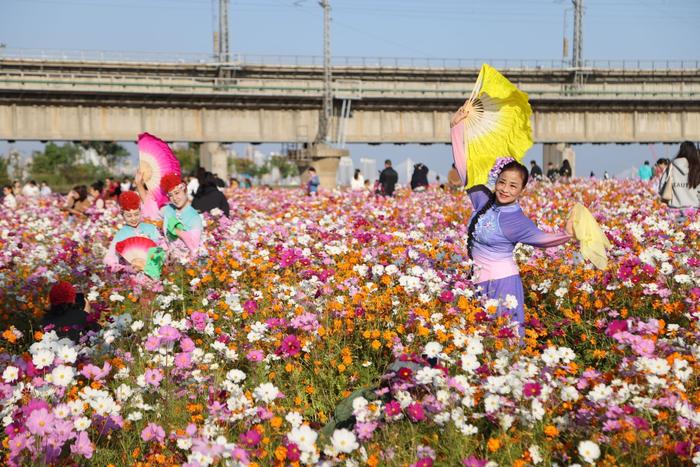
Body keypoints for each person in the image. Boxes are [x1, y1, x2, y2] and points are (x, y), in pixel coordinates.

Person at [467, 158, 574, 336]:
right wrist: (457, 130)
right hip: (476, 282)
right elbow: (465, 171)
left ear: (521, 190)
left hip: (503, 284)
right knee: (481, 341)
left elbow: (544, 239)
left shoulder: (516, 220)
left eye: (513, 186)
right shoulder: (483, 200)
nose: (505, 189)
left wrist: (568, 234)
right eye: (502, 182)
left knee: (505, 340)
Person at [139, 173, 203, 256]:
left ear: (185, 190)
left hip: (185, 263)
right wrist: (139, 184)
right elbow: (149, 208)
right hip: (169, 259)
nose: (175, 198)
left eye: (177, 193)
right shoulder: (168, 209)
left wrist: (179, 232)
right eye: (170, 195)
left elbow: (195, 248)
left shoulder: (194, 217)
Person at [104, 191, 162, 269]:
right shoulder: (121, 234)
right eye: (129, 215)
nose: (133, 218)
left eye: (136, 214)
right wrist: (124, 268)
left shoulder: (151, 228)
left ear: (140, 212)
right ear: (122, 215)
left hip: (155, 268)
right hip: (133, 274)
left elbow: (162, 247)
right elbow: (110, 257)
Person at [658, 141, 700, 212]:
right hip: (694, 211)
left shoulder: (671, 167)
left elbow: (661, 188)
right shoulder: (697, 168)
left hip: (674, 210)